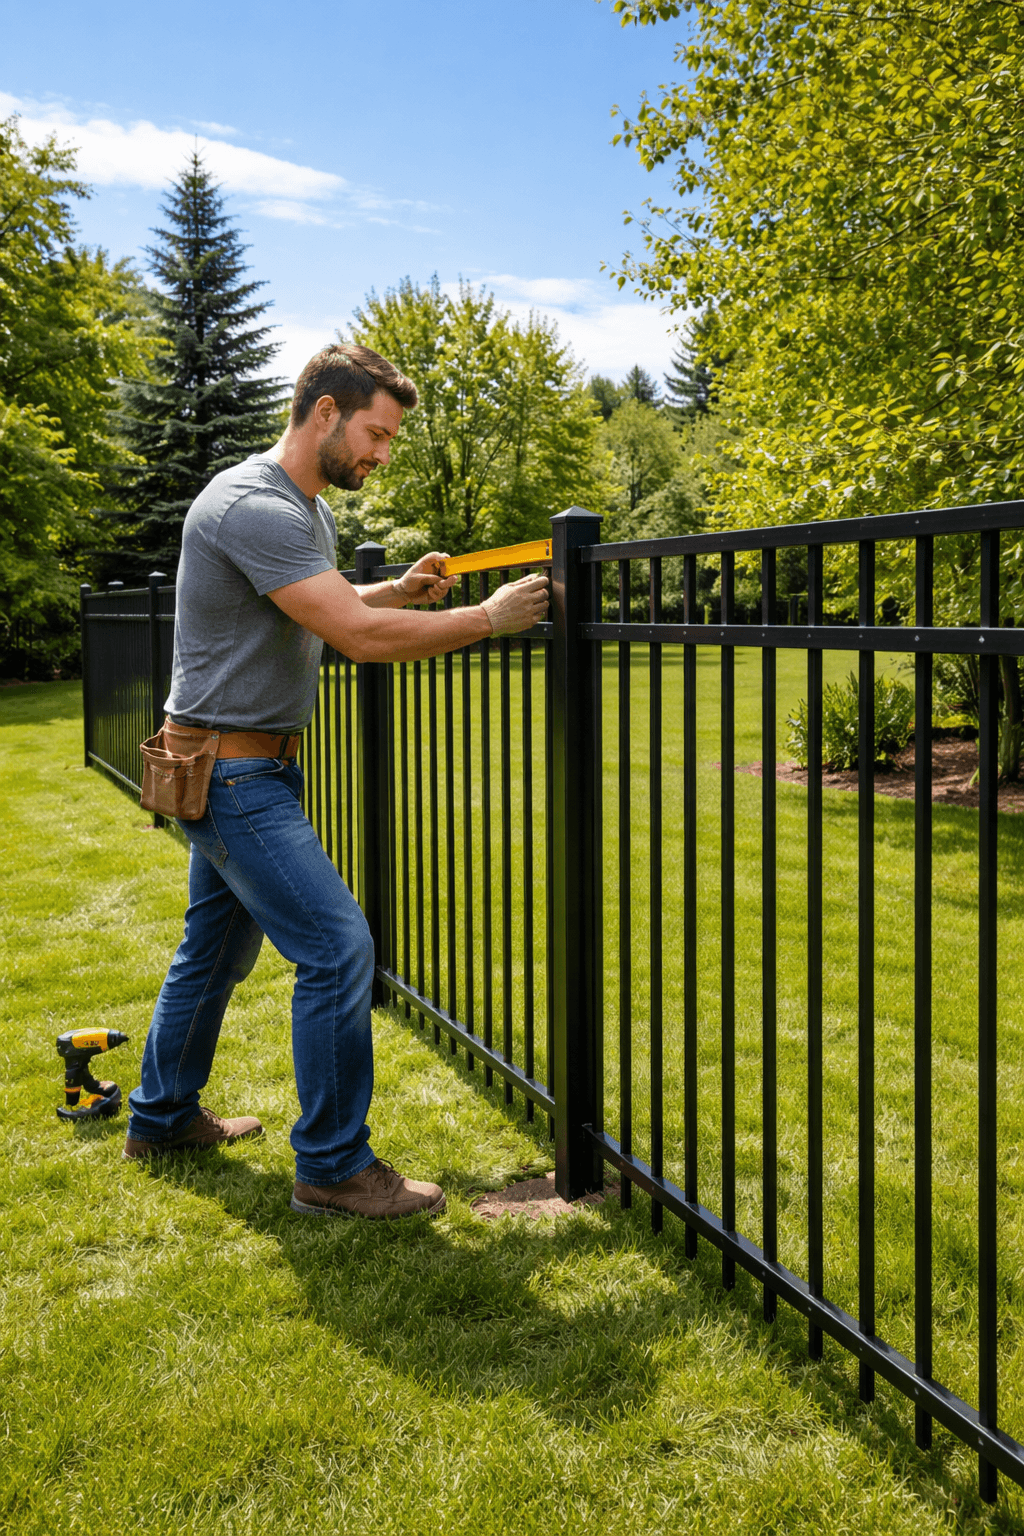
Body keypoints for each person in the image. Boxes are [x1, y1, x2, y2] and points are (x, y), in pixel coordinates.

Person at [123, 343, 548, 1218]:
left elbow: (328, 610)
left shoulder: (298, 508)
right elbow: (353, 639)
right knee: (337, 945)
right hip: (232, 775)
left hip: (234, 764)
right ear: (324, 412)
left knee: (214, 951)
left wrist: (400, 590)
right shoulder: (255, 506)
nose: (382, 455)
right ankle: (331, 1166)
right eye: (376, 434)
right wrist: (486, 618)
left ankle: (160, 1117)